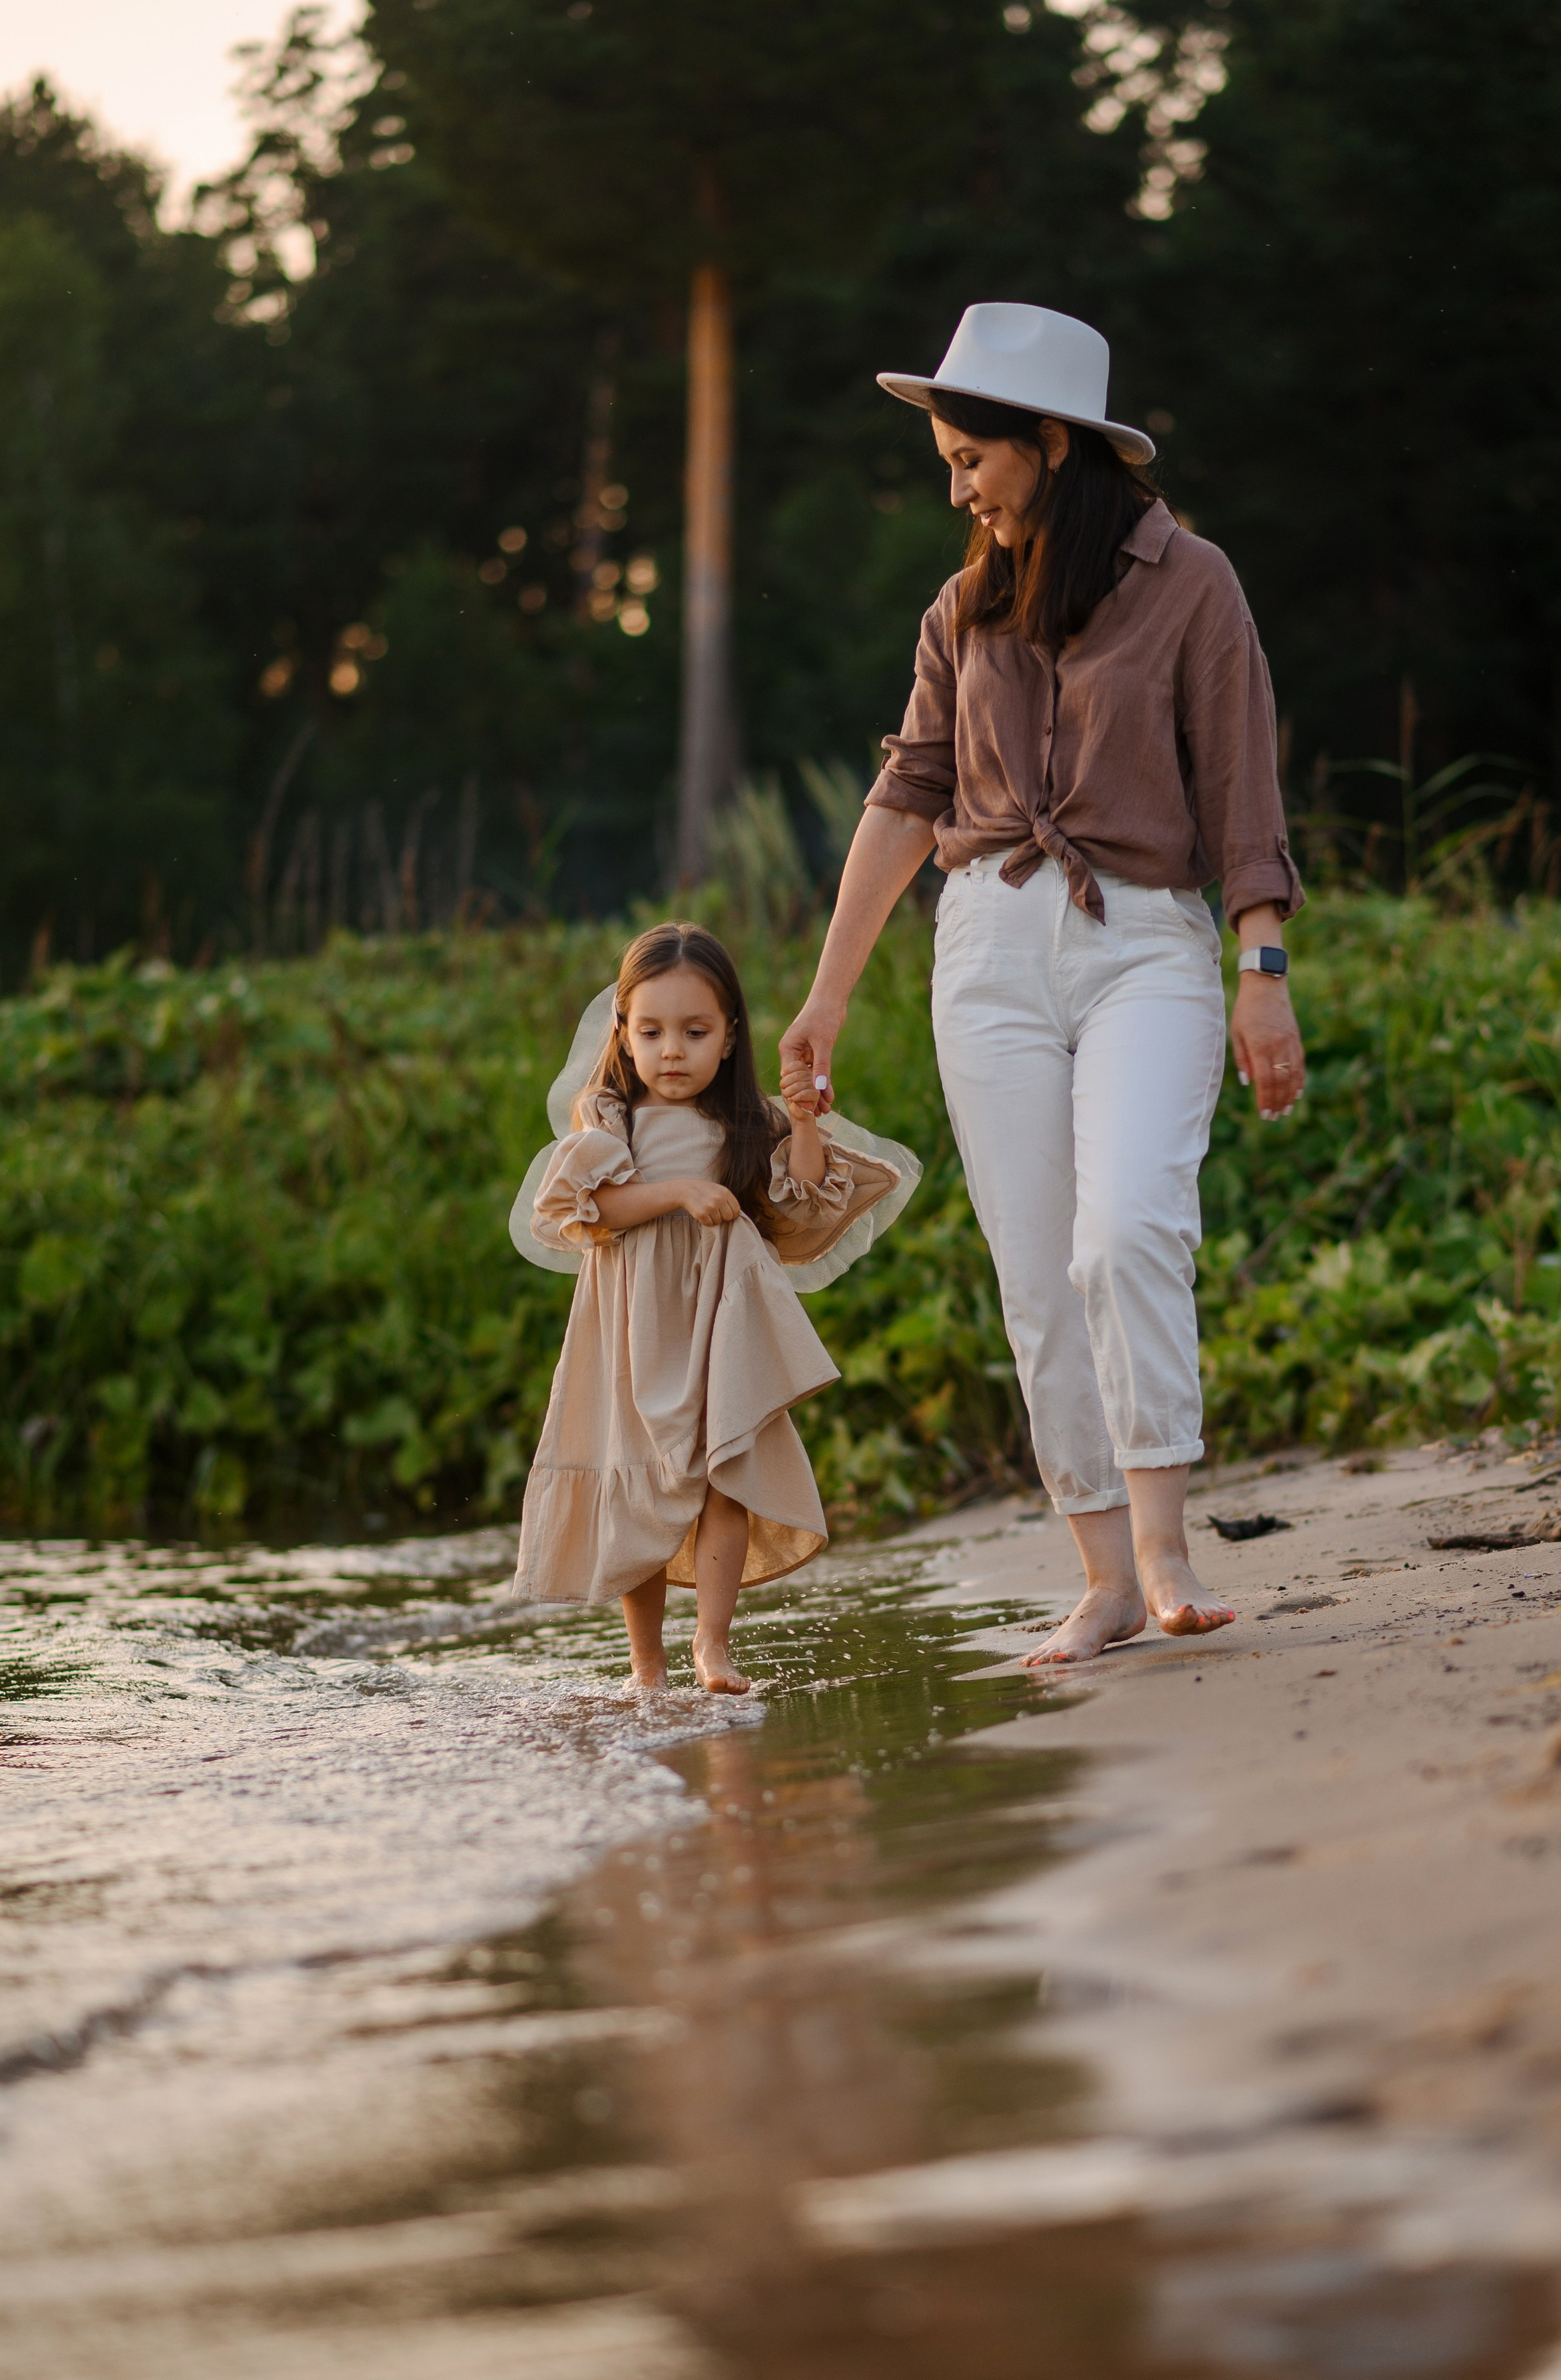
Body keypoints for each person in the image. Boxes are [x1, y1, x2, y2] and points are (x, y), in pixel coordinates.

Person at [781, 302, 1307, 1665]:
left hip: (1146, 945)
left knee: (1124, 1229)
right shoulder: (963, 609)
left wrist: (1261, 970)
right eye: (949, 463)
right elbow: (907, 795)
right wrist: (827, 997)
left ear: (1055, 444)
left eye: (972, 459)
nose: (957, 489)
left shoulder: (1193, 585)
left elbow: (1242, 796)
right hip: (986, 954)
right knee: (1035, 1269)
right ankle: (1105, 1578)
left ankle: (1167, 1547)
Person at [511, 922, 914, 1694]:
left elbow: (802, 1200)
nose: (672, 1051)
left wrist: (803, 1120)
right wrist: (677, 1191)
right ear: (622, 1032)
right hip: (633, 1327)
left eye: (695, 1033)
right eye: (651, 1032)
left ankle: (713, 1643)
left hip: (720, 1321)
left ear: (729, 1037)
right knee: (638, 1480)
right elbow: (584, 1212)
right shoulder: (609, 1116)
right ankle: (647, 1665)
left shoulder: (745, 1122)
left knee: (726, 1469)